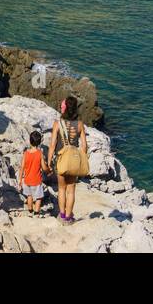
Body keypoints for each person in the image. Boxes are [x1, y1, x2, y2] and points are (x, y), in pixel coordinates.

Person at [49, 96, 88, 224]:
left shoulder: (57, 123)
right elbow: (84, 146)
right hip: (73, 161)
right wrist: (82, 160)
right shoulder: (80, 124)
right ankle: (69, 217)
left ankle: (62, 215)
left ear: (65, 108)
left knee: (61, 189)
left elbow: (53, 144)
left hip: (61, 160)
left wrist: (49, 161)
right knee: (71, 190)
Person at [19, 131, 47, 214]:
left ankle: (30, 210)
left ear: (30, 141)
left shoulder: (26, 153)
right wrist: (49, 169)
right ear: (39, 142)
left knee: (29, 196)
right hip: (37, 180)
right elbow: (44, 167)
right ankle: (37, 211)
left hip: (27, 180)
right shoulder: (40, 154)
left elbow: (22, 168)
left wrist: (20, 180)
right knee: (39, 197)